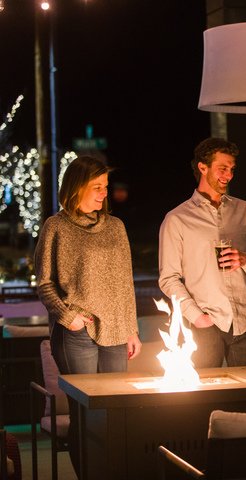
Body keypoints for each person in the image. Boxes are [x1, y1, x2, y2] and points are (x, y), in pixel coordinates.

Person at [34, 155, 141, 473]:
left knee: (115, 412)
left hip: (116, 332)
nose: (103, 193)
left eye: (105, 187)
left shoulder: (116, 227)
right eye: (97, 187)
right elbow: (43, 284)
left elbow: (125, 283)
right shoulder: (55, 227)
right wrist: (68, 318)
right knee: (85, 415)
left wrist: (131, 329)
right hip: (76, 333)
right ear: (76, 187)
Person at [159, 137, 246, 368]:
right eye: (222, 168)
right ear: (203, 167)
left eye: (232, 169)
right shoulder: (177, 219)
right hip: (204, 325)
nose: (229, 175)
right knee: (204, 398)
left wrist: (245, 259)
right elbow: (168, 279)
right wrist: (197, 317)